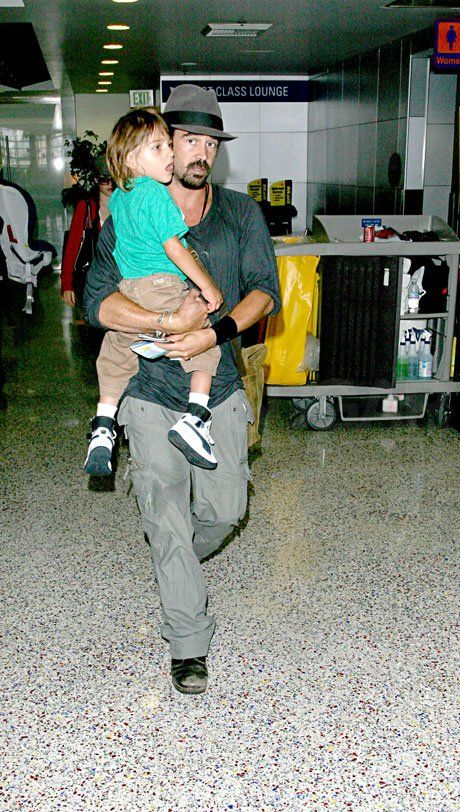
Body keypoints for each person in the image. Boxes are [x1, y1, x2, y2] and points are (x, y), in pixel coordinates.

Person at [83, 84, 281, 695]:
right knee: (164, 514)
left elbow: (264, 292)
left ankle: (179, 569)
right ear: (163, 146)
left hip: (215, 386)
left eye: (209, 142)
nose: (199, 152)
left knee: (224, 511)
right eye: (186, 139)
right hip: (147, 387)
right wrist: (170, 325)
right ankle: (187, 640)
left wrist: (211, 332)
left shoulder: (240, 214)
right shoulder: (127, 212)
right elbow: (98, 302)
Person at [84, 108, 224, 477]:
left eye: (168, 146)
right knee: (206, 344)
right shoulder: (158, 196)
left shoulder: (121, 197)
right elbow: (174, 248)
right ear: (132, 159)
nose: (170, 155)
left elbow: (107, 224)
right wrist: (208, 286)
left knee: (116, 354)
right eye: (159, 148)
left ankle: (103, 424)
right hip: (162, 286)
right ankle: (195, 417)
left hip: (129, 290)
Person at [61, 154, 113, 316]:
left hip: (120, 277)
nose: (110, 184)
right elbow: (73, 246)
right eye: (105, 179)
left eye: (114, 178)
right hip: (93, 278)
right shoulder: (87, 207)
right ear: (96, 180)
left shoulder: (125, 205)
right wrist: (66, 283)